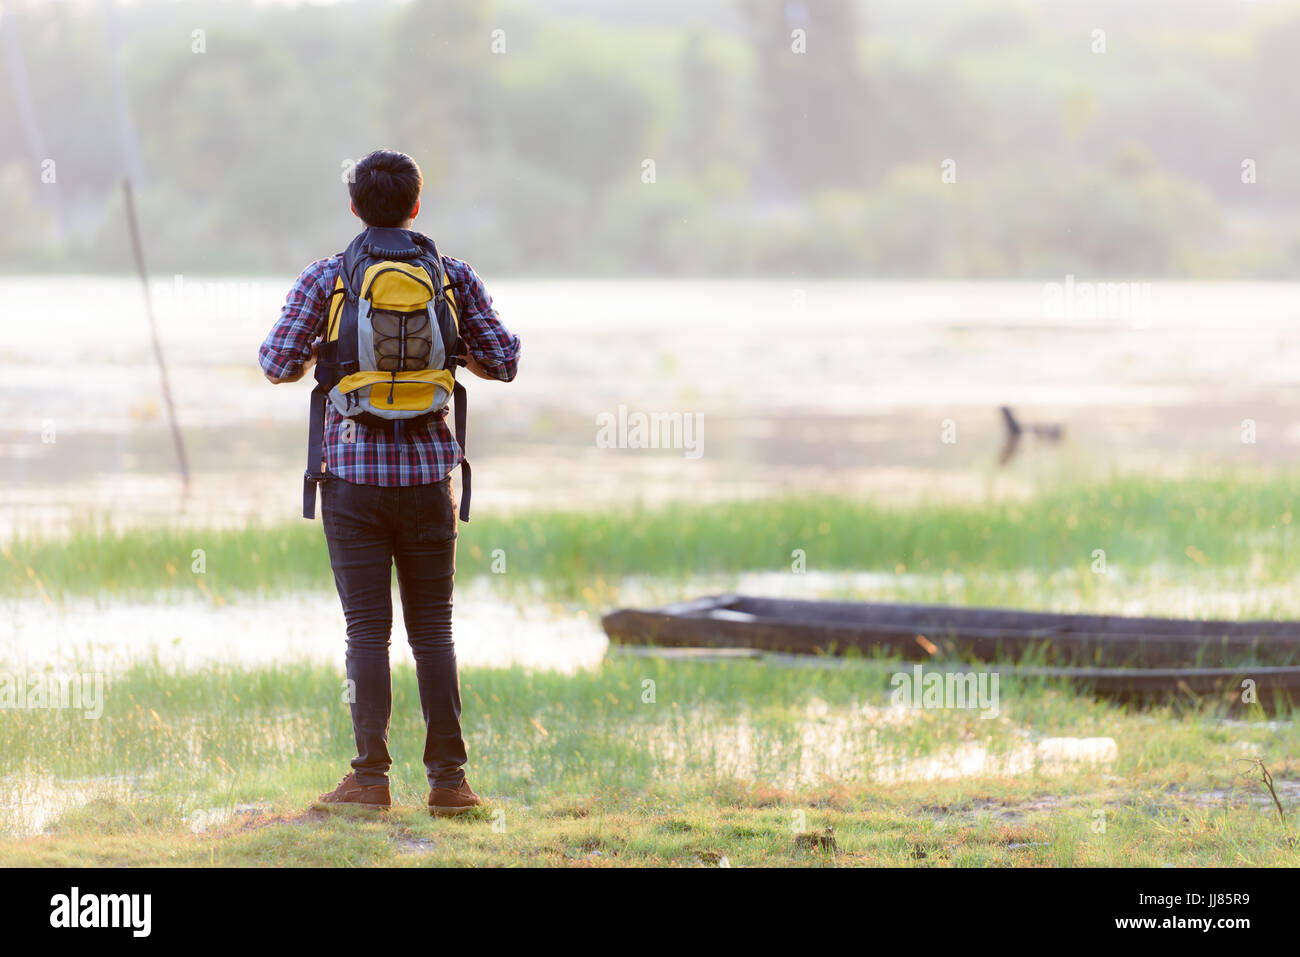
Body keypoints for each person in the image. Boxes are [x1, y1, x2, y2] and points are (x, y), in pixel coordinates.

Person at [258, 149, 521, 815]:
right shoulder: (452, 276)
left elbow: (274, 363)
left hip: (353, 478)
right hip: (432, 473)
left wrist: (330, 350)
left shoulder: (328, 277)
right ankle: (449, 783)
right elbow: (506, 360)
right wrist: (452, 350)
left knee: (366, 633)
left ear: (353, 207)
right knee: (434, 631)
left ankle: (370, 780)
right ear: (417, 205)